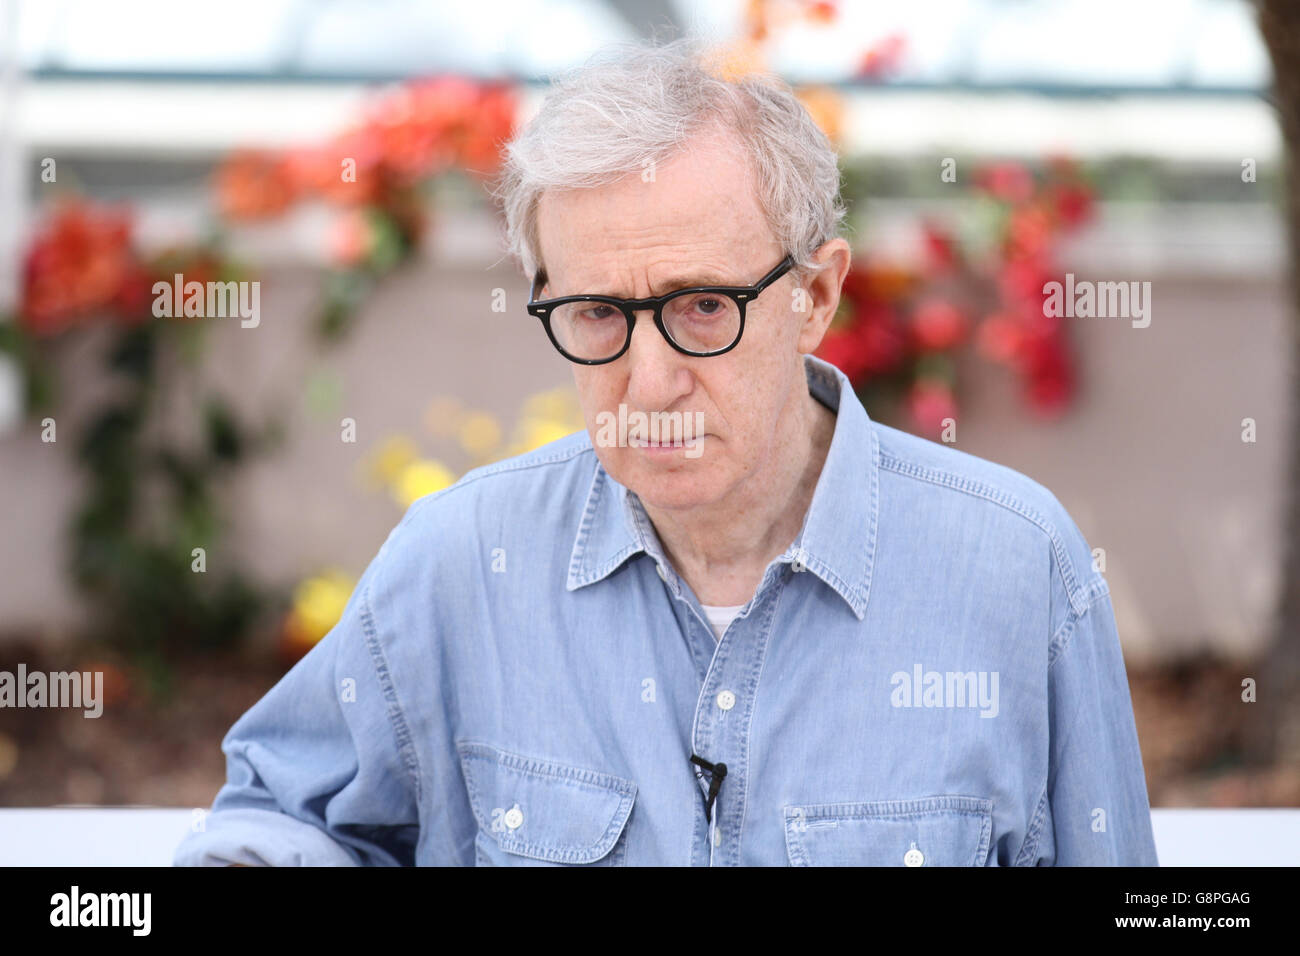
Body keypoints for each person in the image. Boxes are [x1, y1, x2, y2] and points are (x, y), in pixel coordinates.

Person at [174, 37, 1157, 867]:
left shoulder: (1016, 568)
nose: (648, 381)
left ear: (814, 296)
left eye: (701, 306)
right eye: (597, 312)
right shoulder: (459, 561)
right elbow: (281, 815)